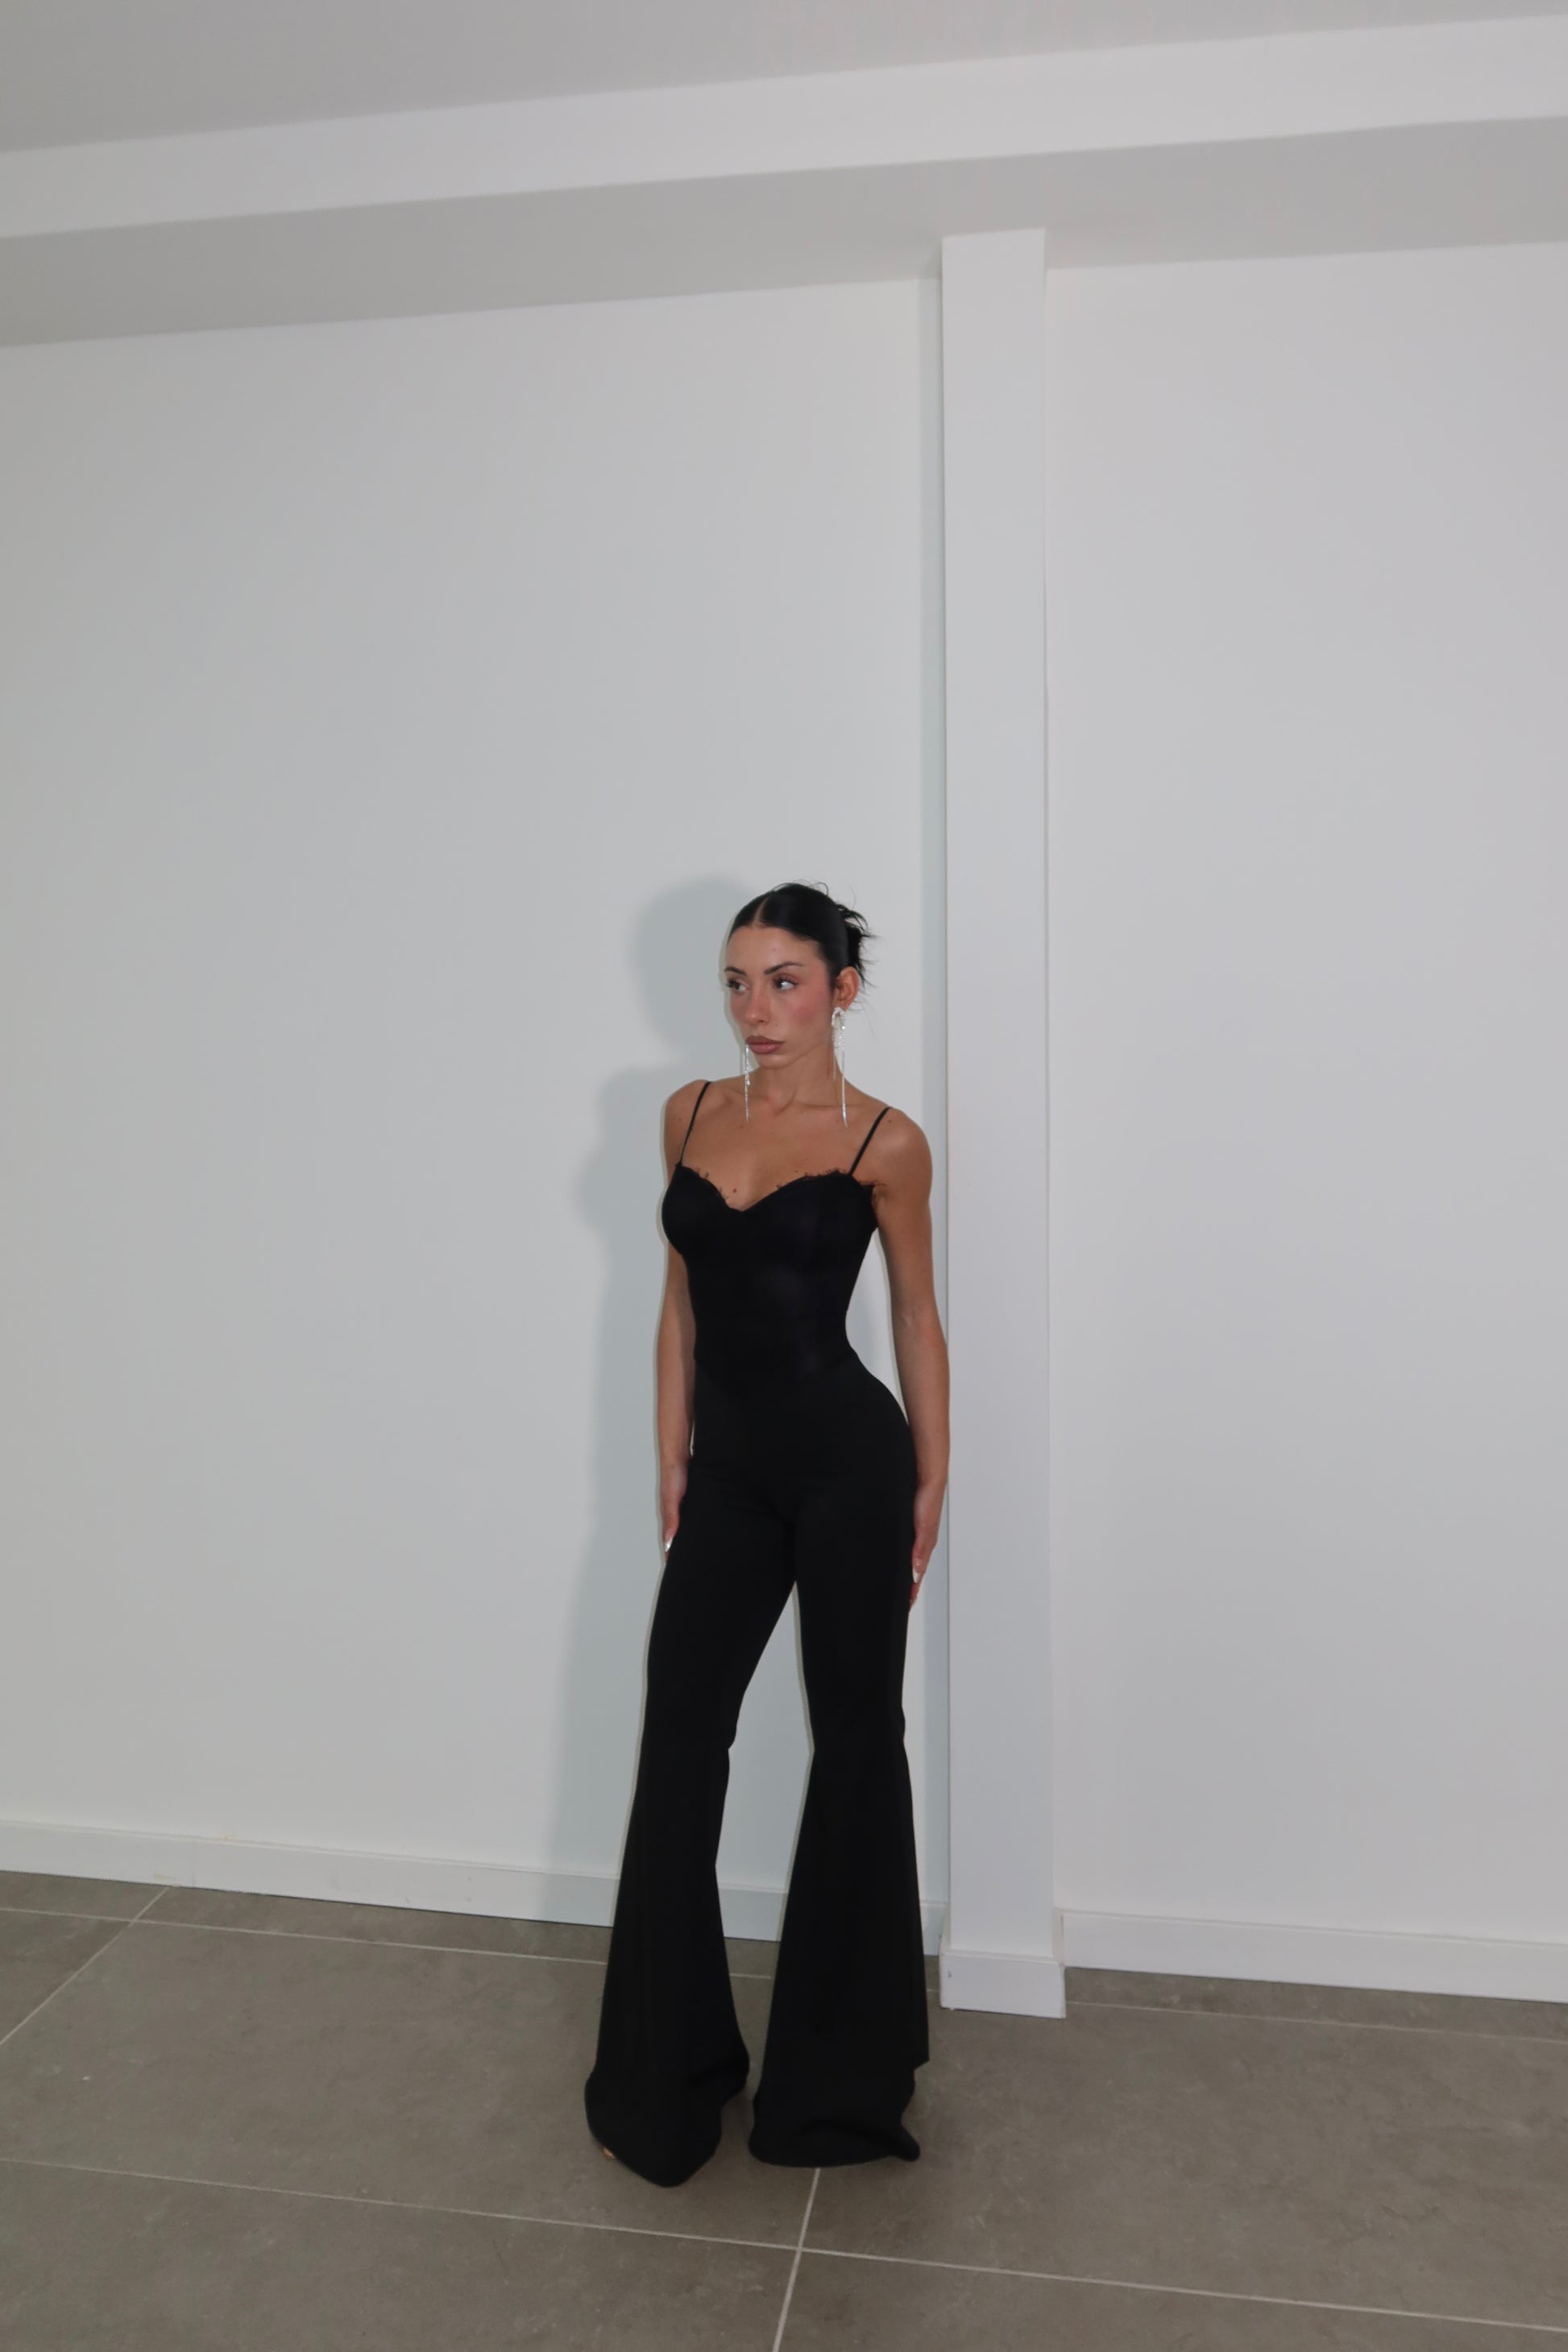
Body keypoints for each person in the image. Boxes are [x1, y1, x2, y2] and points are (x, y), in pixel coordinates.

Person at [583, 881, 950, 2187]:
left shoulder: (886, 1144)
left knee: (856, 1740)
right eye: (738, 983)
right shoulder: (686, 1114)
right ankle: (666, 2073)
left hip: (850, 1468)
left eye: (784, 982)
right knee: (681, 1733)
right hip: (729, 1476)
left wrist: (932, 1477)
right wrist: (670, 1455)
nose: (756, 1009)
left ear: (840, 990)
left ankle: (835, 2088)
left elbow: (913, 1318)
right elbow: (679, 1305)